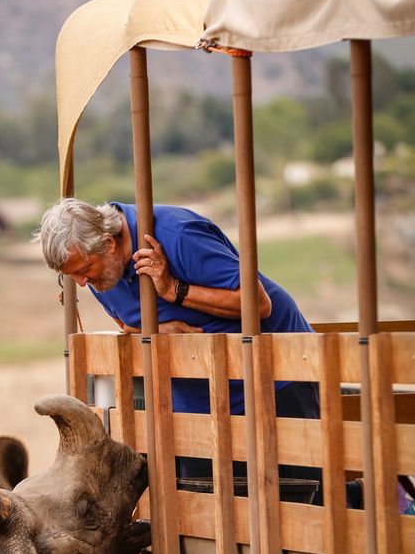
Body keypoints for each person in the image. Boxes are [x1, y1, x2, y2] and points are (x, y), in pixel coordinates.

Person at [35, 198, 324, 500]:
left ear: (108, 243)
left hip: (276, 376)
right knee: (206, 505)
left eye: (84, 270)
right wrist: (159, 329)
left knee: (306, 498)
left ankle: (355, 499)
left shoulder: (177, 234)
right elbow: (127, 322)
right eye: (71, 276)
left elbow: (259, 303)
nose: (82, 284)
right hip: (198, 394)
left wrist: (174, 289)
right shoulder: (100, 274)